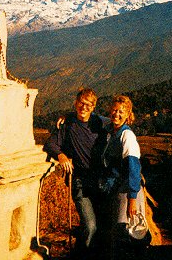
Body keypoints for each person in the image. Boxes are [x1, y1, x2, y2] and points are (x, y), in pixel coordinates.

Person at [43, 88, 107, 258]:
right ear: (76, 103)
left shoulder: (100, 123)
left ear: (93, 107)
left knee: (97, 227)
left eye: (88, 105)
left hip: (100, 183)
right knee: (91, 225)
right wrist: (61, 155)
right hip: (80, 183)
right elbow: (50, 144)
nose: (83, 107)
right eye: (81, 103)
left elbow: (119, 123)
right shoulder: (68, 124)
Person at [98, 95, 149, 259]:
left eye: (121, 111)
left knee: (125, 232)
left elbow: (133, 168)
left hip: (127, 191)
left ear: (128, 114)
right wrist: (69, 116)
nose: (116, 114)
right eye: (114, 110)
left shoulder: (126, 136)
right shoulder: (112, 128)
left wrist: (132, 199)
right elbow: (92, 115)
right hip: (118, 189)